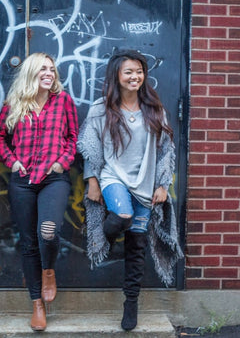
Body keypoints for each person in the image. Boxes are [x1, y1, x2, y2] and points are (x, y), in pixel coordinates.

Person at [77, 49, 183, 331]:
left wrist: (163, 184)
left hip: (146, 186)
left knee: (137, 247)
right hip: (113, 178)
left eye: (139, 71)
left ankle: (131, 303)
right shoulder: (101, 108)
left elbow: (165, 151)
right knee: (121, 216)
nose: (135, 76)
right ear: (117, 75)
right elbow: (90, 148)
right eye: (128, 72)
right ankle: (103, 236)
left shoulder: (154, 109)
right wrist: (92, 181)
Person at [0, 53, 78, 331]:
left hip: (54, 179)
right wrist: (12, 161)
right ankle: (37, 304)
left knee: (49, 232)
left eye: (52, 69)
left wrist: (60, 163)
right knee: (29, 242)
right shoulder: (14, 103)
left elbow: (72, 138)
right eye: (43, 68)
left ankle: (48, 270)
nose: (49, 73)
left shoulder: (63, 101)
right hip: (22, 181)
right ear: (31, 72)